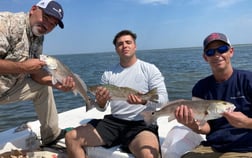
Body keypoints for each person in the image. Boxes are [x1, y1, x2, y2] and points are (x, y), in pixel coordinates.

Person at [65, 30, 168, 158]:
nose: (124, 46)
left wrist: (143, 100)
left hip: (141, 124)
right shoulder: (108, 74)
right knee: (71, 137)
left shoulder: (150, 69)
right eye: (120, 44)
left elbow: (164, 100)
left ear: (135, 46)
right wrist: (101, 102)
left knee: (148, 155)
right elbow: (102, 108)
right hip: (113, 123)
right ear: (116, 49)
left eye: (128, 42)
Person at [0, 0, 75, 146]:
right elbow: (25, 68)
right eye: (46, 18)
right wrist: (22, 67)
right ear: (33, 9)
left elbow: (35, 73)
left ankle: (51, 136)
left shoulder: (38, 37)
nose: (47, 25)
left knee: (43, 88)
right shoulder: (6, 23)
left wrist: (57, 85)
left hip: (8, 89)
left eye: (52, 24)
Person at [175, 32, 252, 157]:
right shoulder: (201, 87)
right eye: (210, 52)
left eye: (222, 49)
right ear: (205, 57)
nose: (217, 55)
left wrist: (247, 122)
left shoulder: (248, 80)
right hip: (213, 147)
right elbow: (207, 127)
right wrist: (192, 124)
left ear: (231, 52)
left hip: (245, 148)